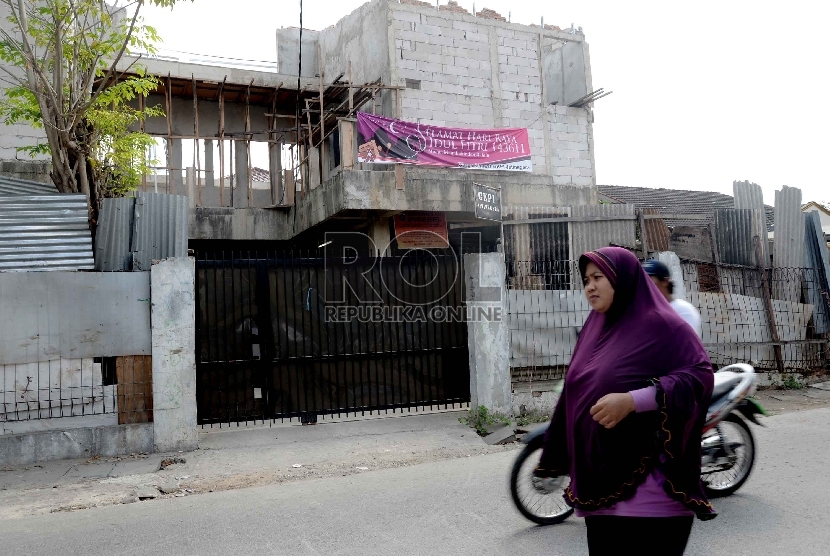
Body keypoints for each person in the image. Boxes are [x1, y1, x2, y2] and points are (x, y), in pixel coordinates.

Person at [535, 247, 715, 556]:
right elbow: (572, 395)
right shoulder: (595, 327)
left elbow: (700, 376)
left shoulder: (664, 325)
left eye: (598, 277)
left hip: (652, 499)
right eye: (586, 279)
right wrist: (554, 457)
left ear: (623, 279)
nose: (590, 286)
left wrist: (635, 400)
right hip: (600, 487)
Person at [643, 259, 702, 338]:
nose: (644, 284)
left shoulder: (683, 310)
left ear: (665, 281)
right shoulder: (647, 312)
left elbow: (686, 344)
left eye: (649, 279)